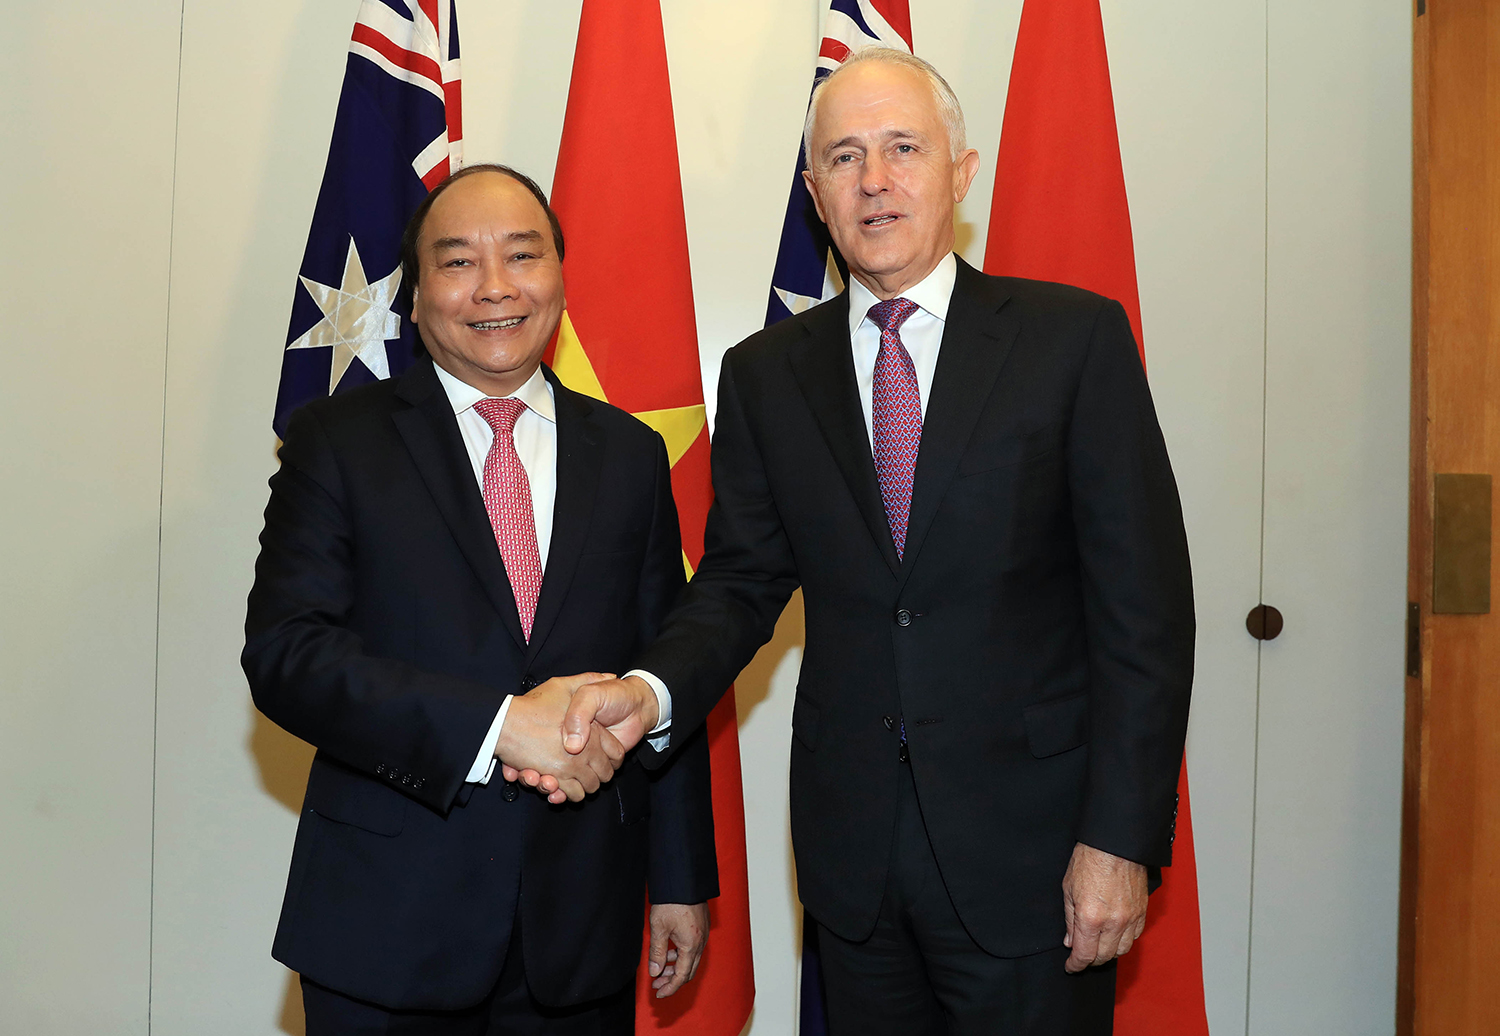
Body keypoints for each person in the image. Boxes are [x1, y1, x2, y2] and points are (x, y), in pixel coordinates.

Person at [537, 48, 1195, 1034]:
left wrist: (1119, 838)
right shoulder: (764, 372)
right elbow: (739, 583)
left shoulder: (1071, 341)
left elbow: (1145, 614)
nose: (875, 181)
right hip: (854, 870)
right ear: (814, 192)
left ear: (961, 171)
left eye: (903, 149)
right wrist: (648, 690)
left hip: (1037, 862)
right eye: (844, 158)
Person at [242, 164, 717, 1035]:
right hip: (386, 927)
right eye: (457, 262)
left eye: (522, 256)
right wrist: (499, 725)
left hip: (581, 929)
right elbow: (288, 656)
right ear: (415, 299)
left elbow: (664, 674)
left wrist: (681, 881)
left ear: (560, 281)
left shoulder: (631, 455)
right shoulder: (336, 443)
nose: (494, 287)